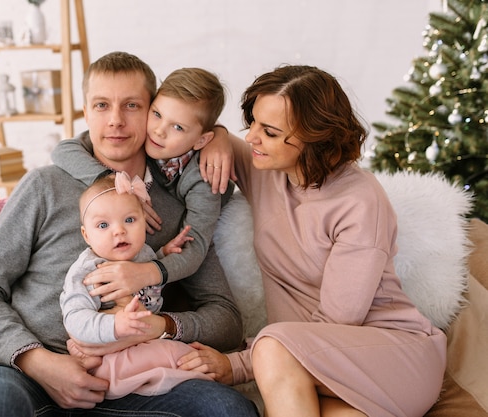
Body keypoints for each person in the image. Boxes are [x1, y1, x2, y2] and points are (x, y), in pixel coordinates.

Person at [0, 51, 257, 417]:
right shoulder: (44, 185)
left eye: (131, 106)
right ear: (85, 111)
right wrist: (37, 361)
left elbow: (225, 318)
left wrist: (159, 326)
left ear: (153, 111)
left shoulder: (176, 208)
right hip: (23, 373)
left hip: (131, 378)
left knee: (228, 410)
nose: (115, 121)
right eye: (101, 105)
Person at [182, 64, 447, 417]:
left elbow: (338, 322)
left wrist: (239, 365)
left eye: (270, 131)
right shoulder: (269, 167)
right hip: (311, 367)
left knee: (273, 346)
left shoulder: (359, 201)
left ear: (315, 139)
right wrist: (215, 135)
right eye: (254, 123)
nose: (252, 138)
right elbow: (213, 135)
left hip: (388, 358)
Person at [52, 66, 233, 300]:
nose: (159, 131)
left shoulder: (201, 180)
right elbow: (64, 148)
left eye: (177, 127)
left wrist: (147, 272)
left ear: (202, 140)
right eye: (157, 114)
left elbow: (194, 247)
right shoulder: (144, 146)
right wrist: (113, 182)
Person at [61, 172, 212, 399]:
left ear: (144, 219)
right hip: (110, 352)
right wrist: (114, 325)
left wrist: (164, 254)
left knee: (175, 354)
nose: (119, 230)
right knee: (177, 354)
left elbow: (147, 270)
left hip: (139, 340)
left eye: (130, 220)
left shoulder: (142, 253)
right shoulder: (88, 270)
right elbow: (73, 318)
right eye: (103, 225)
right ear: (86, 235)